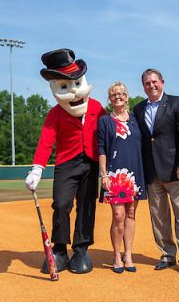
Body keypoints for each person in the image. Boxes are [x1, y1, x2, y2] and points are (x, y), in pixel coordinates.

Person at [25, 48, 106, 274]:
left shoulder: (98, 108)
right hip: (66, 164)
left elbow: (109, 133)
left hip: (90, 162)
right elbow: (45, 142)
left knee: (87, 207)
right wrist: (36, 169)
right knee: (61, 205)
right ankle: (60, 249)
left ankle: (81, 249)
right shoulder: (56, 114)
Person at [133, 68, 179, 276]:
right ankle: (167, 255)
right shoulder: (139, 109)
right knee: (159, 218)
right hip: (152, 173)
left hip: (175, 171)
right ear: (143, 86)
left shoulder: (178, 103)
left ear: (162, 82)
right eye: (147, 83)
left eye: (154, 82)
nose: (151, 86)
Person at [97, 82, 147, 273]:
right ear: (109, 99)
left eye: (121, 93)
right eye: (114, 94)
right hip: (114, 174)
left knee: (131, 214)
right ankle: (117, 255)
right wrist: (103, 174)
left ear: (126, 97)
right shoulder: (104, 121)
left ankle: (128, 254)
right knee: (118, 215)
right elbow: (101, 148)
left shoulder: (135, 120)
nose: (118, 96)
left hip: (134, 173)